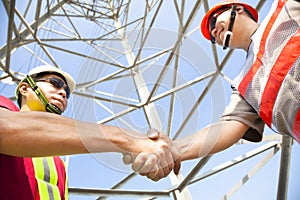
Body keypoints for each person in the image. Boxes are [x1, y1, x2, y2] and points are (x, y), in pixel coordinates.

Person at [128, 0, 299, 181]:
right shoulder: (243, 85)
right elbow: (226, 128)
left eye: (214, 23)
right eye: (211, 35)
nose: (214, 33)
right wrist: (172, 150)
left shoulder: (285, 9)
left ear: (238, 9)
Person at [0, 65, 181, 199]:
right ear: (25, 88)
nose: (63, 92)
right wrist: (128, 141)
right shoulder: (5, 109)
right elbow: (6, 128)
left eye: (67, 92)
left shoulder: (58, 162)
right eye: (55, 84)